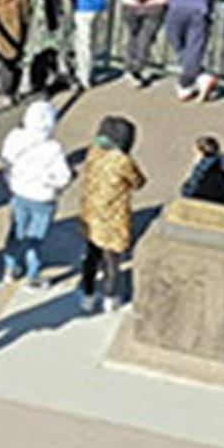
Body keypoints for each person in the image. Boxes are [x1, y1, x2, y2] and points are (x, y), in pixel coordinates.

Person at [0, 99, 71, 287]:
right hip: (43, 199)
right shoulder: (53, 148)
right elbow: (63, 177)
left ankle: (10, 268)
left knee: (16, 232)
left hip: (18, 192)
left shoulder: (14, 137)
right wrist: (50, 182)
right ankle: (32, 275)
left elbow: (5, 162)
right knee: (36, 238)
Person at [79, 115, 145, 313]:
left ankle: (87, 295)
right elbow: (138, 182)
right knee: (111, 261)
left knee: (91, 256)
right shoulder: (123, 161)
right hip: (113, 216)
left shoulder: (93, 152)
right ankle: (110, 297)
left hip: (91, 211)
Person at [179, 135, 224, 203]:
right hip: (221, 192)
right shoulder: (221, 157)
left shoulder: (206, 162)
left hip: (205, 194)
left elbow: (197, 177)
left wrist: (186, 190)